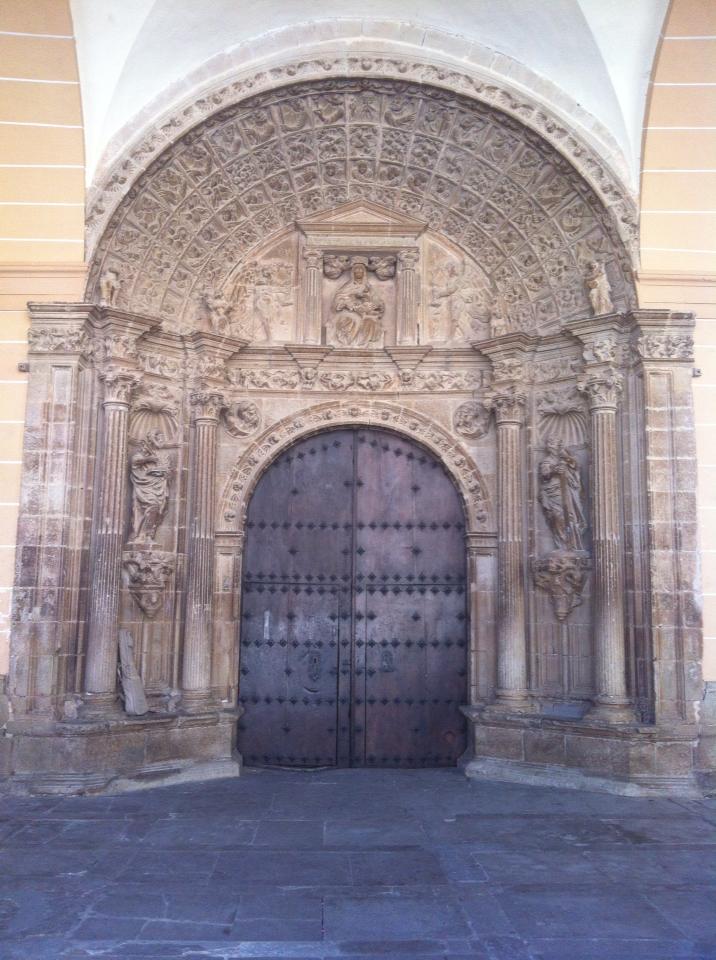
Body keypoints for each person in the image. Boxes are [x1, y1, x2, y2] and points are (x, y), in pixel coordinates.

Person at [538, 441, 586, 551]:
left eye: (552, 443)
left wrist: (567, 459)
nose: (549, 445)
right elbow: (544, 474)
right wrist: (554, 470)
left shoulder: (566, 458)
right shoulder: (546, 461)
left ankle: (573, 545)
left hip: (567, 492)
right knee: (557, 517)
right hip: (553, 493)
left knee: (570, 517)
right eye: (548, 443)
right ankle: (562, 544)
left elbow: (576, 467)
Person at [331, 261, 385, 346]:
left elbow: (377, 302)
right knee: (353, 320)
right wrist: (352, 303)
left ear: (364, 273)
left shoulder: (368, 287)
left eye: (361, 270)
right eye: (357, 270)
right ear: (353, 273)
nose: (359, 271)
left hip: (365, 312)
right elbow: (339, 299)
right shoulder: (348, 286)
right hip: (350, 312)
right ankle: (350, 343)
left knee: (371, 321)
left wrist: (369, 300)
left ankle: (363, 344)